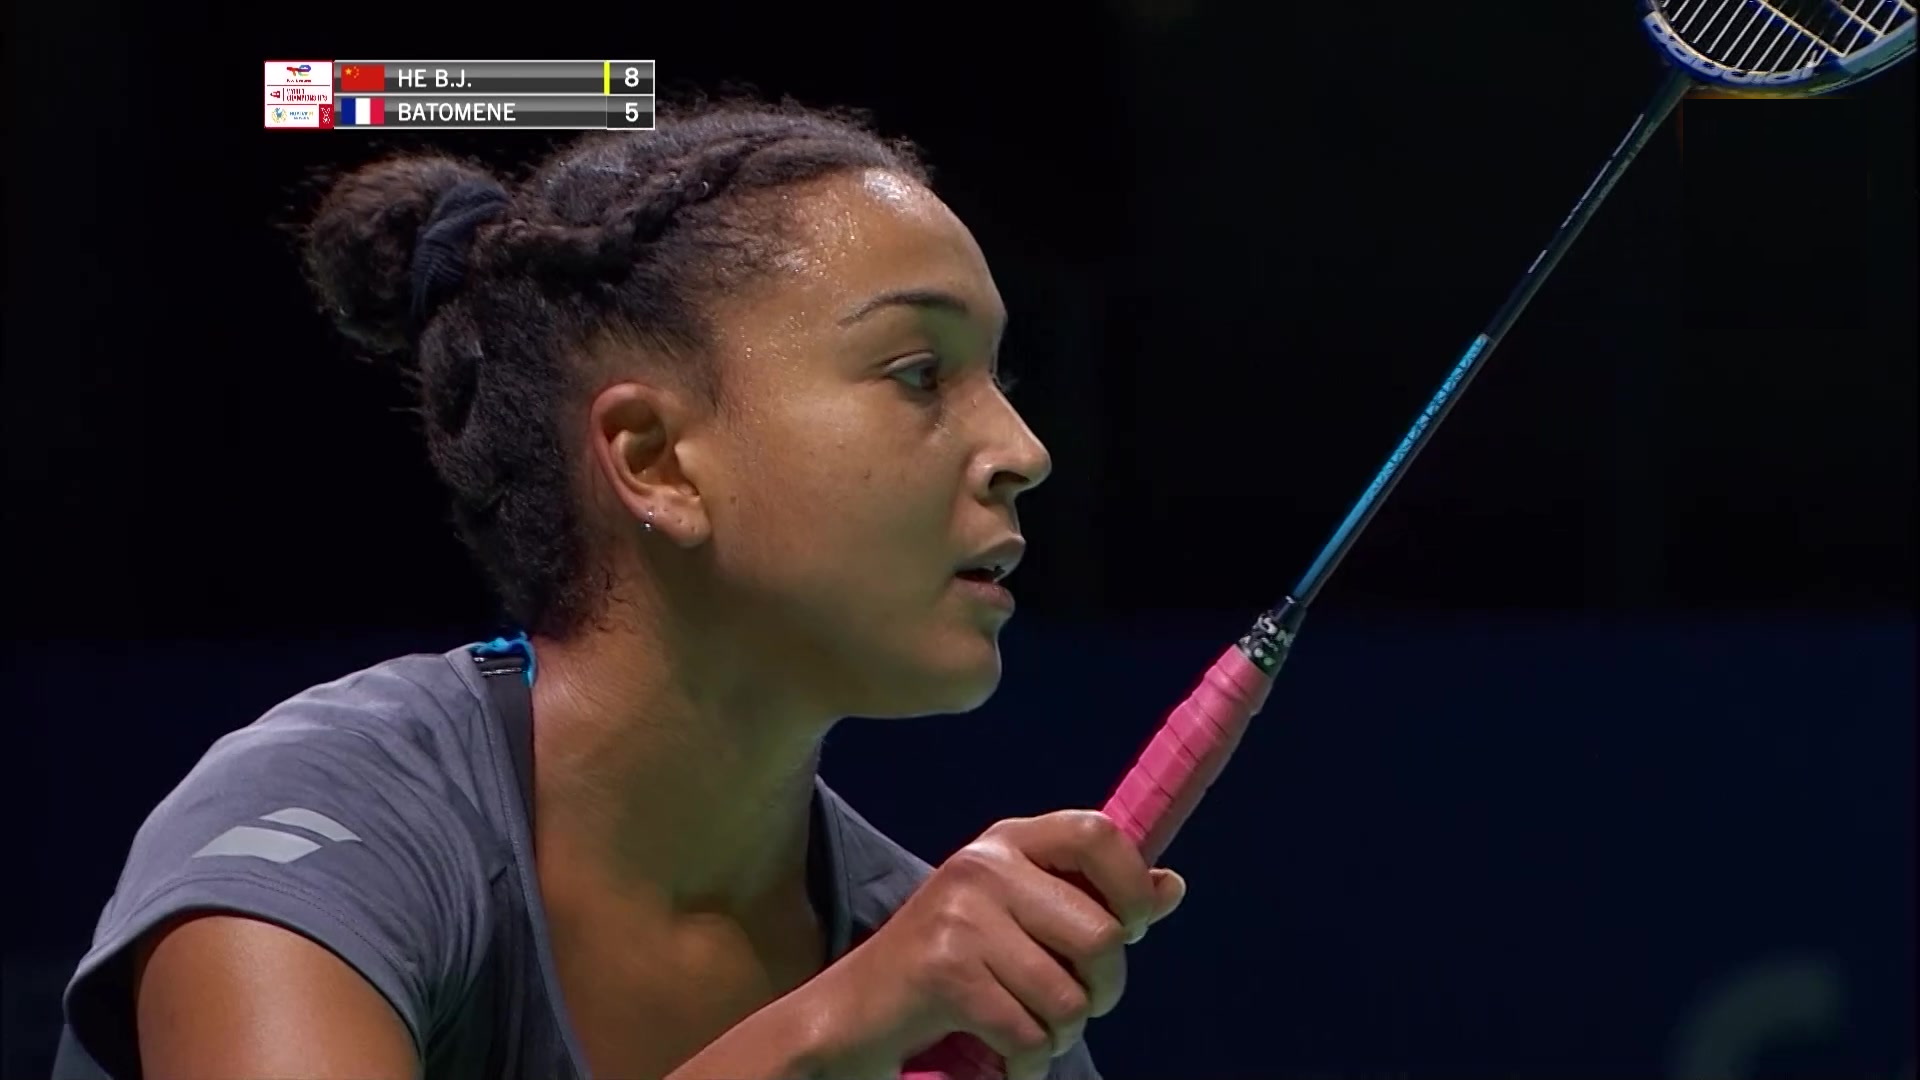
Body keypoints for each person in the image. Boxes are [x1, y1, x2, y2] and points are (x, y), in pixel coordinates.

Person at [53, 98, 1187, 1080]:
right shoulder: (337, 820)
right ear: (654, 458)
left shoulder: (945, 979)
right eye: (918, 372)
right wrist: (823, 1039)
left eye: (999, 378)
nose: (1023, 450)